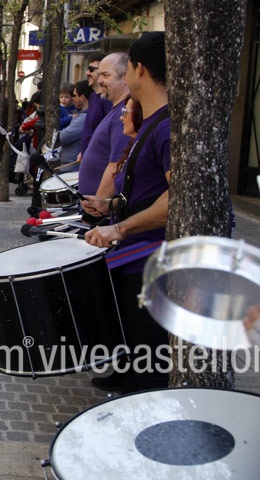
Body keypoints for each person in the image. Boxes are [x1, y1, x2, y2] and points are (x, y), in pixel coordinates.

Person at [84, 32, 170, 394]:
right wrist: (111, 206)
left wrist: (119, 229)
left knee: (150, 361)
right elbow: (147, 191)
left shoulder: (166, 127)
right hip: (135, 255)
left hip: (150, 260)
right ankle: (126, 377)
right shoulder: (151, 123)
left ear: (139, 69)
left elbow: (177, 198)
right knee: (131, 336)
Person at [77, 52, 130, 198]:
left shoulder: (123, 115)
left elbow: (117, 165)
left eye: (105, 75)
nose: (99, 80)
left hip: (101, 206)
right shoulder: (114, 110)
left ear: (125, 77)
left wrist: (98, 203)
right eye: (99, 75)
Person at [78, 55, 113, 162]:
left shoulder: (107, 100)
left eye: (91, 69)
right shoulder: (93, 97)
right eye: (87, 69)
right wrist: (83, 151)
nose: (87, 73)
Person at [57, 80, 91, 172]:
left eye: (74, 96)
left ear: (82, 97)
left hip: (72, 166)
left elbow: (61, 137)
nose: (72, 98)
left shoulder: (83, 118)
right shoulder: (82, 115)